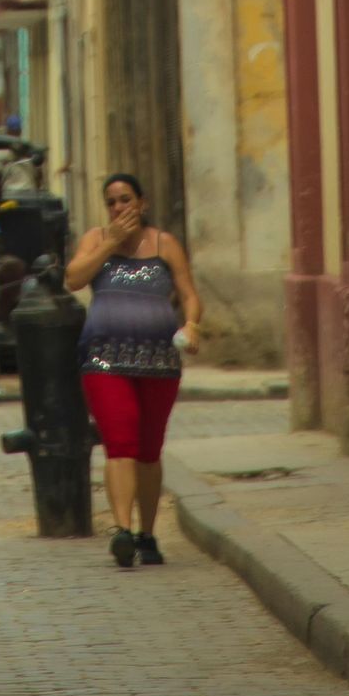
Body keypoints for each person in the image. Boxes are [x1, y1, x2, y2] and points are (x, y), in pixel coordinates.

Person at [63, 170, 202, 566]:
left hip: (159, 361)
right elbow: (73, 278)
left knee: (148, 448)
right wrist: (110, 243)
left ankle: (147, 533)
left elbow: (190, 295)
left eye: (126, 199)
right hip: (105, 359)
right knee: (119, 443)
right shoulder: (96, 240)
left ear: (142, 203)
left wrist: (191, 324)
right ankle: (122, 530)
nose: (119, 207)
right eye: (111, 201)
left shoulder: (165, 244)